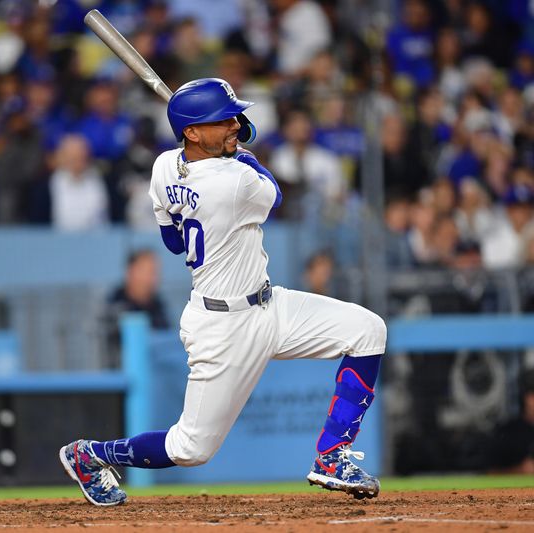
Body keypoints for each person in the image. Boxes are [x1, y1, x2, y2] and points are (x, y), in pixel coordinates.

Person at [59, 78, 386, 506]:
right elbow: (276, 192)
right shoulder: (234, 181)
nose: (236, 123)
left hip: (271, 305)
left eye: (234, 116)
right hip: (223, 326)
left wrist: (225, 154)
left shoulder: (161, 168)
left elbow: (174, 242)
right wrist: (246, 155)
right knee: (190, 449)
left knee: (367, 330)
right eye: (223, 119)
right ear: (192, 131)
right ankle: (92, 455)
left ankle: (332, 454)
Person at [104, 249, 169, 368]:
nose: (153, 279)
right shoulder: (114, 307)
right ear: (131, 272)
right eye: (148, 272)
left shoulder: (158, 305)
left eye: (155, 273)